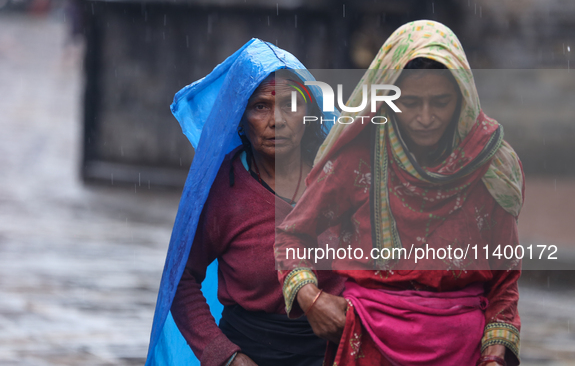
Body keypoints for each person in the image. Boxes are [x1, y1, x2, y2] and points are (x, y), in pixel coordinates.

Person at [275, 20, 524, 366]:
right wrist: (311, 298)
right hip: (369, 344)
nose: (425, 117)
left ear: (463, 97)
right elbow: (291, 235)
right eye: (410, 102)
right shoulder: (358, 156)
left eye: (440, 102)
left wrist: (496, 351)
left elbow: (504, 273)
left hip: (462, 351)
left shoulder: (490, 164)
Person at [144, 38, 344, 366]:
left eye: (291, 104)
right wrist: (227, 356)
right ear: (240, 118)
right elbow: (180, 279)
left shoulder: (339, 179)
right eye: (260, 106)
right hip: (250, 353)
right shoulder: (223, 189)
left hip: (332, 353)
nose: (277, 120)